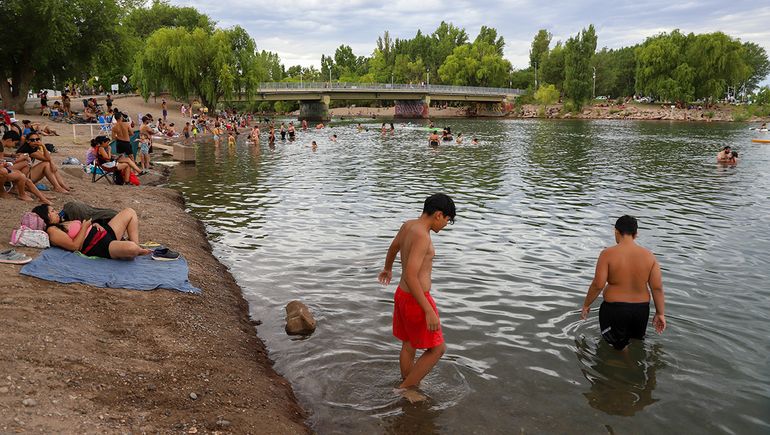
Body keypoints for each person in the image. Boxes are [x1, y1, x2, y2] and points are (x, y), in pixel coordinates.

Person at [378, 193, 456, 391]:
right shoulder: (423, 236)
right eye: (447, 220)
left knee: (409, 344)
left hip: (403, 295)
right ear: (438, 215)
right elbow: (411, 276)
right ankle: (405, 388)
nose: (445, 225)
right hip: (417, 299)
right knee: (438, 349)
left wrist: (387, 268)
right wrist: (428, 309)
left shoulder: (409, 225)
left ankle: (409, 384)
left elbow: (393, 247)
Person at [580, 215, 666, 351]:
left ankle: (626, 361)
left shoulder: (607, 254)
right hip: (641, 310)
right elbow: (657, 288)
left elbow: (598, 284)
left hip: (615, 310)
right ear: (636, 234)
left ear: (616, 231)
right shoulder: (650, 256)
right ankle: (634, 362)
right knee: (635, 344)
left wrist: (586, 304)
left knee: (617, 349)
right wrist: (660, 313)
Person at [32, 205, 152, 260]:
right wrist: (84, 227)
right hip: (99, 245)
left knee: (130, 212)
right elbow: (75, 246)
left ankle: (137, 246)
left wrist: (95, 224)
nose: (56, 212)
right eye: (52, 211)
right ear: (46, 216)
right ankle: (136, 249)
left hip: (103, 232)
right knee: (131, 248)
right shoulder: (52, 231)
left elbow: (82, 228)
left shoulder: (61, 223)